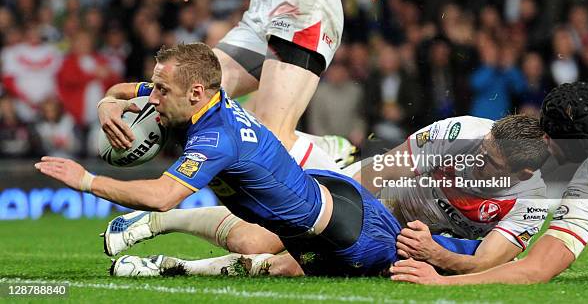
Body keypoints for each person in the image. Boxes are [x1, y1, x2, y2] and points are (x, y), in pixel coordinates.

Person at [37, 43, 400, 277]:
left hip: (344, 235)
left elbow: (162, 196)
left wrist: (86, 181)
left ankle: (171, 268)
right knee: (262, 255)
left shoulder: (216, 138)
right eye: (155, 86)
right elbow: (121, 91)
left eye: (161, 90)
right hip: (322, 201)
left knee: (410, 265)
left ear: (195, 92)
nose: (154, 98)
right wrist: (106, 106)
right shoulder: (201, 99)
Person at [99, 0, 377, 169]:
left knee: (271, 136)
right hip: (261, 10)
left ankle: (361, 184)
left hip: (306, 3)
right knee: (188, 98)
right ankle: (324, 150)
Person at [106, 114, 550, 277]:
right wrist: (323, 212)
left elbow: (486, 263)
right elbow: (379, 172)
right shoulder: (461, 134)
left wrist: (435, 256)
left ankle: (169, 269)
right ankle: (157, 220)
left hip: (423, 244)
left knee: (285, 267)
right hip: (382, 203)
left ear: (523, 172)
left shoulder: (531, 199)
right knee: (259, 238)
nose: (476, 159)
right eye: (482, 149)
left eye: (490, 163)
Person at [389, 82, 588, 284]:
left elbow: (537, 268)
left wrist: (441, 278)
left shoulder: (585, 194)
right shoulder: (584, 192)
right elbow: (535, 268)